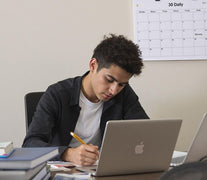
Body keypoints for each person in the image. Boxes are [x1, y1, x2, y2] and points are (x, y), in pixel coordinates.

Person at [22, 34, 149, 166]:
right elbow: (30, 145)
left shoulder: (124, 94)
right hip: (62, 171)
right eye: (109, 80)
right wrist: (68, 154)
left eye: (121, 84)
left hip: (102, 170)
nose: (114, 90)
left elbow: (146, 132)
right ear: (93, 65)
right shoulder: (57, 94)